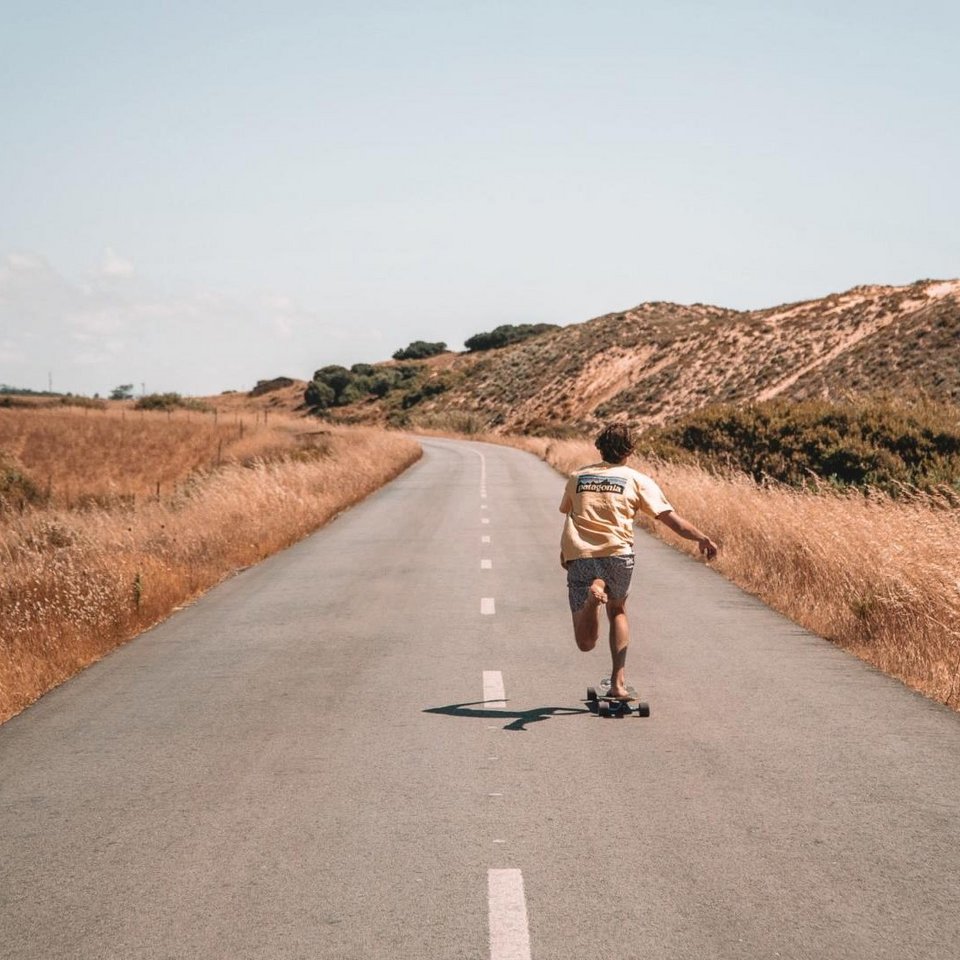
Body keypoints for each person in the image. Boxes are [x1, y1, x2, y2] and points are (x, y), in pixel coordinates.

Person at [559, 422, 718, 699]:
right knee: (618, 610)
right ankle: (618, 684)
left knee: (585, 643)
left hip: (581, 555)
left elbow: (568, 512)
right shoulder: (636, 480)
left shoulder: (577, 477)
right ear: (630, 450)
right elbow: (671, 520)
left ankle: (592, 598)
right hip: (619, 555)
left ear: (599, 446)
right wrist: (702, 538)